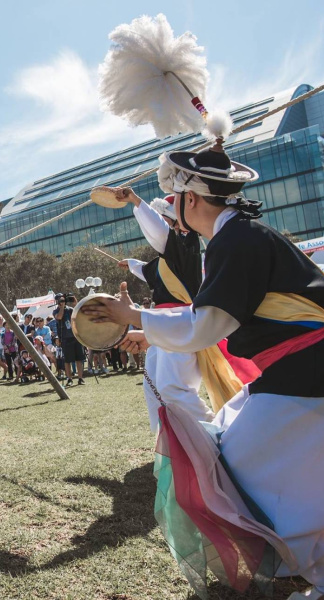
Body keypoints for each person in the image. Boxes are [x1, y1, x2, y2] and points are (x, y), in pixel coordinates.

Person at [83, 141, 324, 600]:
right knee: (248, 460)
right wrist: (149, 331)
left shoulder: (236, 241)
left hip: (306, 374)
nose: (173, 209)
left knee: (236, 468)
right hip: (296, 375)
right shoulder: (239, 236)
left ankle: (308, 569)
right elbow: (211, 319)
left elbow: (206, 324)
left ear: (189, 199)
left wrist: (135, 318)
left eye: (174, 199)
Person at [116, 193, 217, 432]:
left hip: (178, 322)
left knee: (174, 387)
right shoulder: (170, 257)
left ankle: (215, 433)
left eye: (163, 217)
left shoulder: (186, 240)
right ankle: (169, 438)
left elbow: (160, 232)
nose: (159, 222)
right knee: (152, 385)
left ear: (174, 220)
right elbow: (150, 271)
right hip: (161, 324)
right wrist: (131, 264)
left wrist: (136, 201)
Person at [53, 294, 85, 386]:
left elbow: (79, 313)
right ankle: (69, 379)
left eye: (63, 300)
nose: (61, 302)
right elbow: (59, 317)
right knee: (67, 360)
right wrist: (62, 307)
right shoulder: (55, 311)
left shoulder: (70, 310)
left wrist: (75, 302)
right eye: (59, 300)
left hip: (75, 337)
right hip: (65, 339)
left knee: (79, 359)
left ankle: (80, 378)